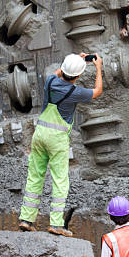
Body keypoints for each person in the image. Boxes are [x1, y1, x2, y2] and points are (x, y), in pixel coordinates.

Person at [18, 53, 103, 236]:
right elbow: (97, 91)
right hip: (57, 139)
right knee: (60, 180)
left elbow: (57, 73)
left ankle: (26, 219)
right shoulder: (75, 92)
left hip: (39, 133)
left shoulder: (50, 81)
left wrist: (72, 60)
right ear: (78, 76)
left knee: (34, 176)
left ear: (63, 69)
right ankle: (56, 223)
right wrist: (98, 68)